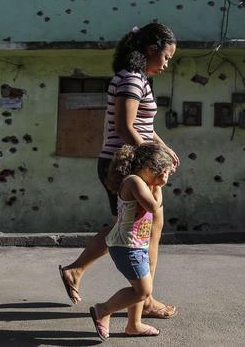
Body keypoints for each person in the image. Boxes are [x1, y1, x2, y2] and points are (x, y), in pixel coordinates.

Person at [59, 22, 179, 319]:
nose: (166, 65)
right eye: (165, 58)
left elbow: (144, 127)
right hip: (125, 164)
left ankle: (77, 270)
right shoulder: (130, 79)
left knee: (127, 228)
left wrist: (163, 148)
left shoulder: (136, 78)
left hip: (134, 161)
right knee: (142, 230)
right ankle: (144, 299)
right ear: (151, 50)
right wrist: (153, 157)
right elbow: (126, 128)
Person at [90, 142, 173, 340]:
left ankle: (134, 325)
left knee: (139, 288)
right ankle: (103, 310)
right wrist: (159, 186)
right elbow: (153, 207)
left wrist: (156, 182)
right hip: (126, 246)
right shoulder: (134, 182)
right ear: (148, 168)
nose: (164, 177)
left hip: (136, 245)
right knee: (143, 291)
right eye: (162, 172)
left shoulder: (142, 182)